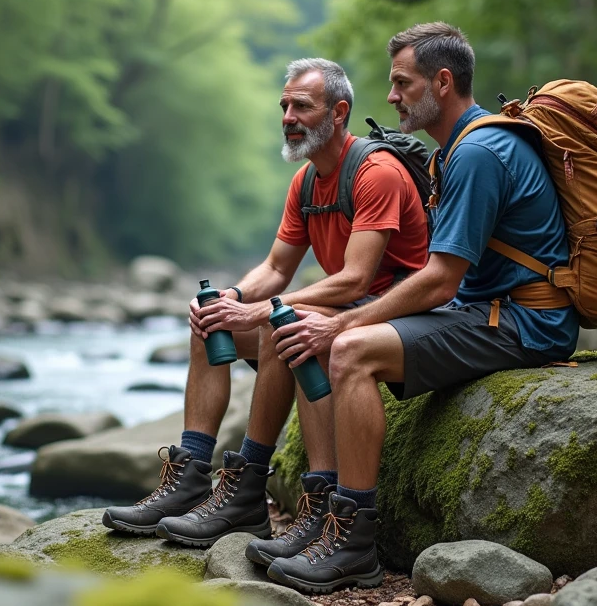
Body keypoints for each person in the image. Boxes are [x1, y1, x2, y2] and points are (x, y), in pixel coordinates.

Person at [263, 22, 579, 594]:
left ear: (442, 81)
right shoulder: (460, 147)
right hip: (487, 310)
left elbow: (439, 280)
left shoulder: (480, 152)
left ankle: (354, 542)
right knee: (310, 330)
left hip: (526, 322)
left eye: (402, 83)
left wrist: (346, 320)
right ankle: (320, 511)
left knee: (350, 347)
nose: (390, 96)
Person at [101, 58, 429, 556]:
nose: (288, 116)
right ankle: (190, 477)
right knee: (210, 323)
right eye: (284, 106)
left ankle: (254, 488)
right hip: (344, 308)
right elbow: (276, 268)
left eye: (302, 106)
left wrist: (264, 309)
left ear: (338, 113)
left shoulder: (376, 172)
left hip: (391, 315)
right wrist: (231, 298)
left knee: (283, 325)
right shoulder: (305, 183)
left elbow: (357, 278)